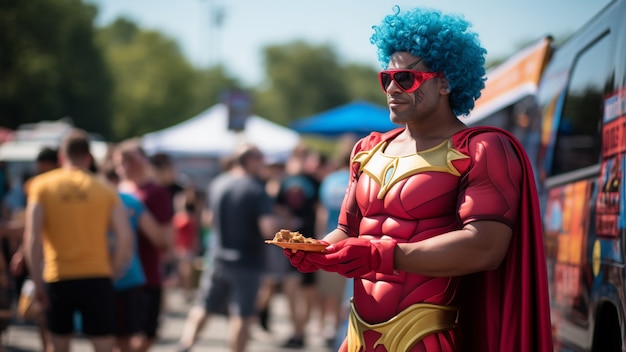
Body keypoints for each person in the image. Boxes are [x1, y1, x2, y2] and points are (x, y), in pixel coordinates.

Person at [284, 6, 552, 352]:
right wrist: (318, 250)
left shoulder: (483, 149)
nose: (392, 88)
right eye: (387, 78)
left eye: (406, 79)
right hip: (358, 337)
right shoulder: (368, 149)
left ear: (445, 82)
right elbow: (349, 232)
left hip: (429, 337)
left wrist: (383, 255)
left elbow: (485, 247)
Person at [22, 129, 133, 352]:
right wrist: (115, 267)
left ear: (62, 157)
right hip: (97, 275)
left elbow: (32, 237)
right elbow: (124, 236)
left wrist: (36, 279)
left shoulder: (41, 186)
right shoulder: (105, 189)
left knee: (59, 344)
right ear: (89, 157)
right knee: (103, 344)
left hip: (58, 275)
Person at [178, 144, 279, 352]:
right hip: (247, 261)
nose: (263, 164)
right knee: (243, 315)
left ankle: (185, 344)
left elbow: (209, 220)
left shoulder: (218, 183)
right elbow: (267, 228)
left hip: (218, 257)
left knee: (204, 306)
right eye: (260, 159)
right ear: (250, 161)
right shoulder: (257, 189)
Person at [112, 141, 173, 352]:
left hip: (147, 274)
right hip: (119, 274)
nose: (123, 168)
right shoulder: (118, 190)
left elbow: (165, 240)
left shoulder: (155, 192)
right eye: (120, 162)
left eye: (128, 161)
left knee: (148, 335)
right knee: (119, 337)